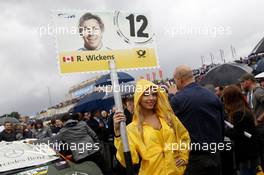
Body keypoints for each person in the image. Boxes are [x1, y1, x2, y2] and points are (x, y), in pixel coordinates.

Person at [114, 79, 190, 175]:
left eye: (154, 94)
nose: (151, 98)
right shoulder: (132, 128)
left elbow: (184, 136)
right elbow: (128, 160)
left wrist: (183, 156)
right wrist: (118, 134)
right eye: (146, 94)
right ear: (139, 97)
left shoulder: (168, 118)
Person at [169, 65, 225, 175]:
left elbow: (168, 122)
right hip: (215, 155)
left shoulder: (177, 99)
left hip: (193, 158)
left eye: (174, 80)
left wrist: (171, 95)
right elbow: (221, 125)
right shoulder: (212, 95)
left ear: (180, 79)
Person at [223, 85, 261, 175]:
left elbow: (238, 134)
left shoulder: (238, 114)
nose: (223, 99)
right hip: (251, 153)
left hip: (246, 154)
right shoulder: (244, 110)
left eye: (224, 97)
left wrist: (224, 131)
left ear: (230, 98)